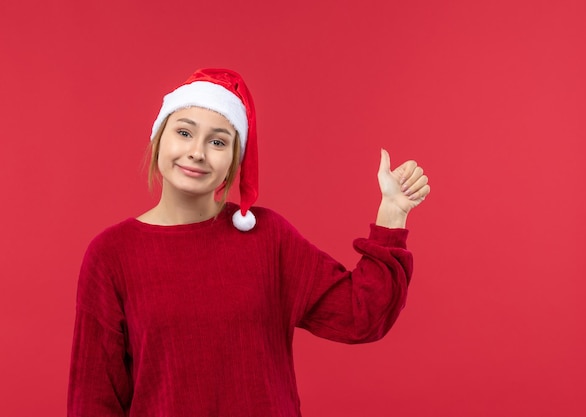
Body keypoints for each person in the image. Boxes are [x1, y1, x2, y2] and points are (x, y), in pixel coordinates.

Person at [67, 68, 431, 417]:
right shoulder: (111, 255)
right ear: (158, 137)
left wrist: (393, 214)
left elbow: (361, 315)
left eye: (217, 142)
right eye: (183, 132)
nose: (197, 152)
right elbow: (94, 398)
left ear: (233, 162)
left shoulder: (268, 238)